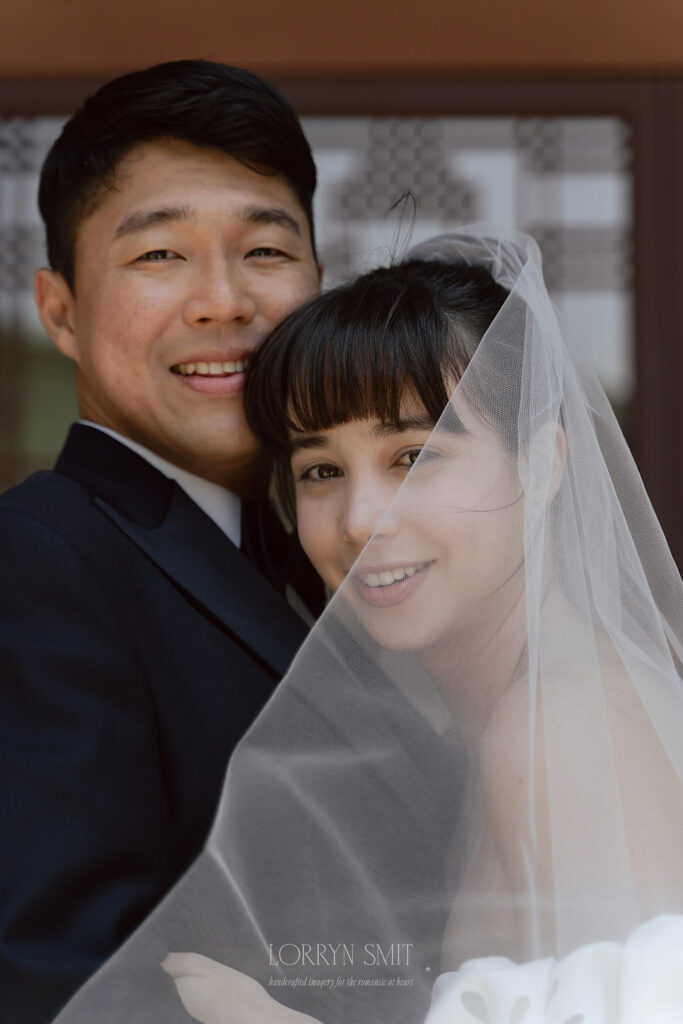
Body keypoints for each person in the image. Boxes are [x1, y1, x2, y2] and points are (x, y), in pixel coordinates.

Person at [53, 227, 683, 1024]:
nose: (357, 520)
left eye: (413, 457)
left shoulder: (564, 734)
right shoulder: (485, 725)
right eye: (320, 471)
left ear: (545, 465)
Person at [0, 59, 324, 1024]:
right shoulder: (36, 560)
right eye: (158, 256)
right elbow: (59, 975)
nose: (223, 301)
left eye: (265, 252)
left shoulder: (324, 550)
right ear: (58, 310)